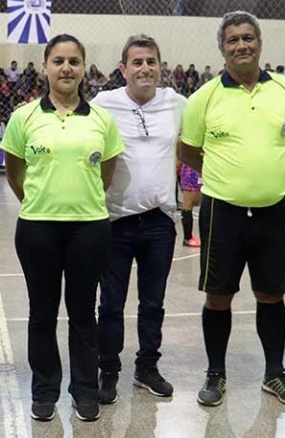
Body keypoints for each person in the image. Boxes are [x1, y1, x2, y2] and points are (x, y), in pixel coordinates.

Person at [180, 10, 285, 408]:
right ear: (222, 48)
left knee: (271, 295)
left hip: (275, 211)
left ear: (259, 42)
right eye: (232, 40)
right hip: (223, 213)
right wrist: (226, 175)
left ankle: (275, 373)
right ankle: (215, 374)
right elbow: (188, 151)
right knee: (217, 297)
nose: (241, 45)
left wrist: (273, 171)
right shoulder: (204, 97)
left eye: (247, 38)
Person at [1, 34, 124, 423]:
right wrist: (42, 202)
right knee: (41, 312)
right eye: (58, 61)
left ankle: (84, 390)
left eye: (74, 61)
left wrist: (78, 201)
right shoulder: (25, 117)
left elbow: (106, 174)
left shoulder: (102, 120)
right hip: (38, 228)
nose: (66, 68)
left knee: (83, 313)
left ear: (84, 68)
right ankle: (44, 389)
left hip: (89, 228)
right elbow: (14, 172)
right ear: (45, 67)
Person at [91, 34, 186, 405]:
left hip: (161, 222)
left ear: (161, 66)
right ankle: (108, 370)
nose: (145, 68)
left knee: (153, 302)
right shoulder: (103, 104)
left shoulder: (177, 104)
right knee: (111, 304)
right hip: (115, 222)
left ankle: (147, 367)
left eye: (151, 61)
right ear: (123, 69)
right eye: (137, 62)